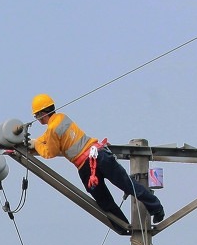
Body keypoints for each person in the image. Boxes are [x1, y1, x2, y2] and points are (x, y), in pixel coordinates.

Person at [27, 94, 165, 230]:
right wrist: (38, 141)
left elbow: (49, 152)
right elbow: (48, 137)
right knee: (127, 184)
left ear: (42, 113)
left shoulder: (52, 129)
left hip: (86, 167)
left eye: (36, 115)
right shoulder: (62, 118)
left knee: (104, 200)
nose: (37, 119)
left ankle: (123, 227)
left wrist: (36, 145)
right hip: (100, 155)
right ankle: (156, 208)